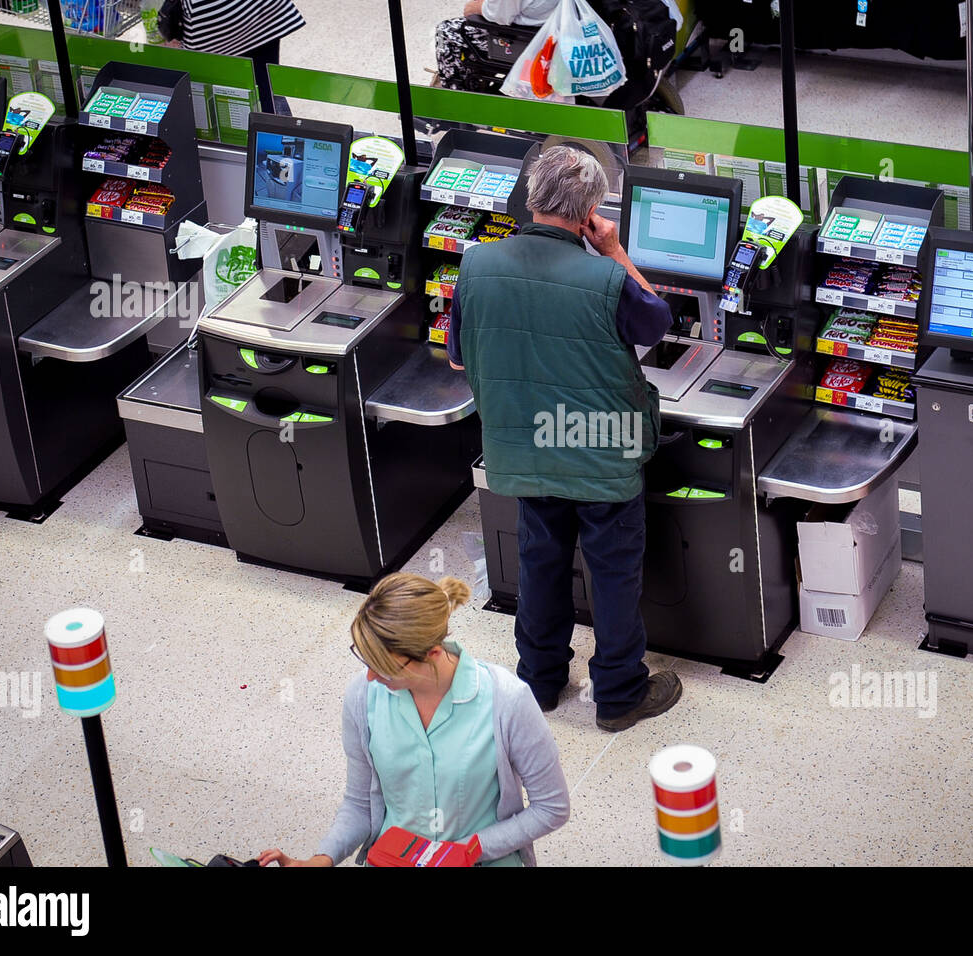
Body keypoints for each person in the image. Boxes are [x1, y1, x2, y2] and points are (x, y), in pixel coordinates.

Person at [448, 145, 683, 733]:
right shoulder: (606, 277)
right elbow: (657, 323)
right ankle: (619, 694)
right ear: (592, 209)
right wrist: (615, 250)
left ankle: (541, 682)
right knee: (612, 570)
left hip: (524, 443)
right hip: (602, 450)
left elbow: (458, 357)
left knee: (540, 559)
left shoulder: (476, 265)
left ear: (530, 198)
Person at [258, 573, 569, 867]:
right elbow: (360, 804)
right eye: (366, 660)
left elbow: (551, 808)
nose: (370, 675)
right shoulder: (363, 695)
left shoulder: (507, 699)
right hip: (395, 856)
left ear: (432, 653)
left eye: (384, 666)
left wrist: (467, 851)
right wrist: (322, 858)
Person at [168, 0, 305, 114]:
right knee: (265, 84)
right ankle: (272, 129)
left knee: (217, 99)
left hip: (209, 21)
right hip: (260, 12)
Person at [434, 0, 559, 91]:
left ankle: (454, 93)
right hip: (557, 35)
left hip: (528, 41)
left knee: (446, 30)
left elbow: (498, 14)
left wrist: (477, 7)